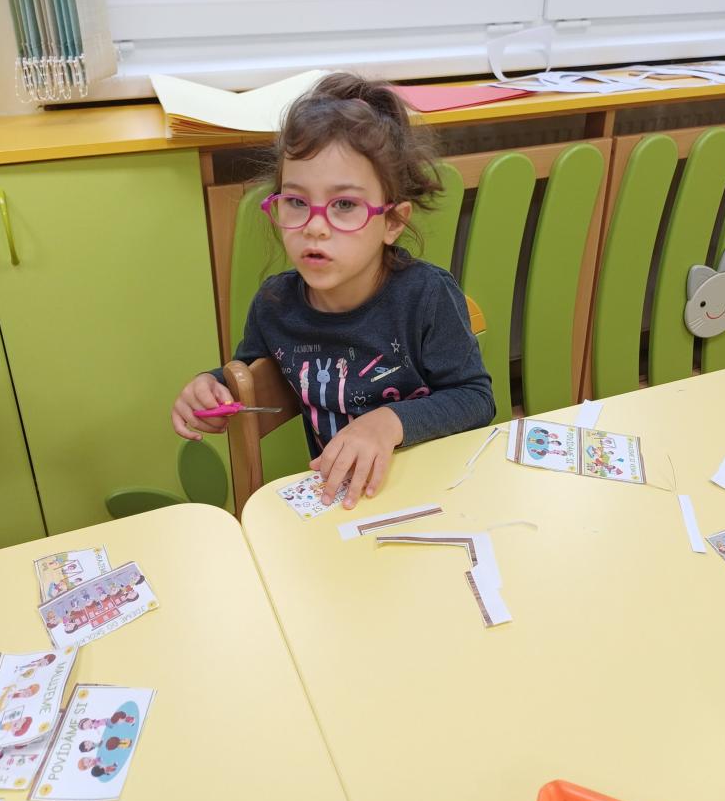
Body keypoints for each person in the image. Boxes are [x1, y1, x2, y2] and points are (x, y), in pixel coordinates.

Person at [172, 72, 495, 509]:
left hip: (436, 489)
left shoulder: (426, 296)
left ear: (393, 221)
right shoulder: (274, 306)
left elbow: (474, 399)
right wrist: (211, 387)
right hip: (346, 504)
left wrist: (387, 422)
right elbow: (251, 376)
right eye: (296, 202)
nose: (315, 227)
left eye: (344, 205)